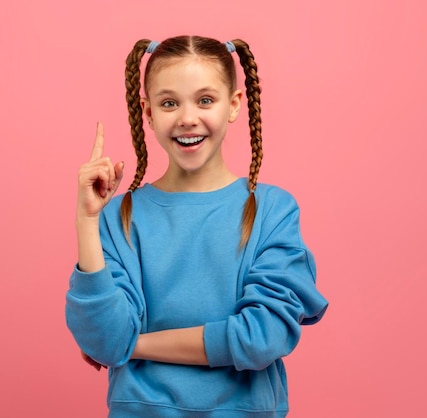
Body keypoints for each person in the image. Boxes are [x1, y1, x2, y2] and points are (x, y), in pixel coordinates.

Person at [66, 35, 328, 418]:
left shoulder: (272, 210)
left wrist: (133, 346)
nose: (187, 117)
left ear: (234, 104)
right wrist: (87, 220)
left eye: (205, 100)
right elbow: (105, 339)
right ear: (149, 112)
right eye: (169, 102)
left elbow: (260, 338)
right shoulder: (119, 216)